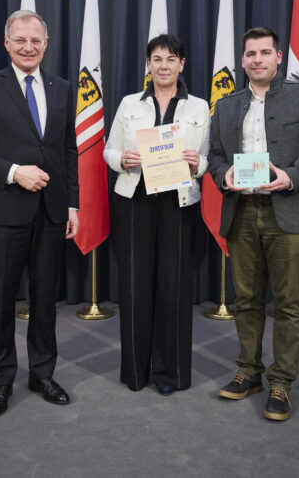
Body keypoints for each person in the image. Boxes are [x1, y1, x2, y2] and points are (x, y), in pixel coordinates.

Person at [0, 10, 79, 418]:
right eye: (20, 40)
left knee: (45, 300)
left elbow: (67, 150)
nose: (28, 47)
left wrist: (72, 204)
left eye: (36, 40)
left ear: (46, 44)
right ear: (6, 43)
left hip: (51, 212)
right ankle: (1, 380)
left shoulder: (62, 89)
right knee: (2, 299)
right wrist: (12, 172)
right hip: (4, 212)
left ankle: (43, 374)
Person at [208, 27, 299, 421]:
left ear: (279, 57)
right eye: (251, 53)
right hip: (242, 212)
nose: (257, 59)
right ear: (242, 60)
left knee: (288, 304)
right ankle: (249, 372)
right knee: (246, 300)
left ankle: (281, 384)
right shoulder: (226, 105)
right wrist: (224, 175)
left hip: (290, 211)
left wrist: (291, 176)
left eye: (265, 52)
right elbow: (215, 156)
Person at [103, 34, 210, 395]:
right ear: (148, 64)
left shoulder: (198, 107)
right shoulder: (129, 103)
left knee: (173, 288)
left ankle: (170, 374)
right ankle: (135, 372)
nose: (164, 66)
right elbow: (109, 150)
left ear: (182, 64)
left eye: (171, 59)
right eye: (157, 59)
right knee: (135, 287)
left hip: (179, 203)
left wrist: (198, 163)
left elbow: (209, 157)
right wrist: (122, 159)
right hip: (135, 200)